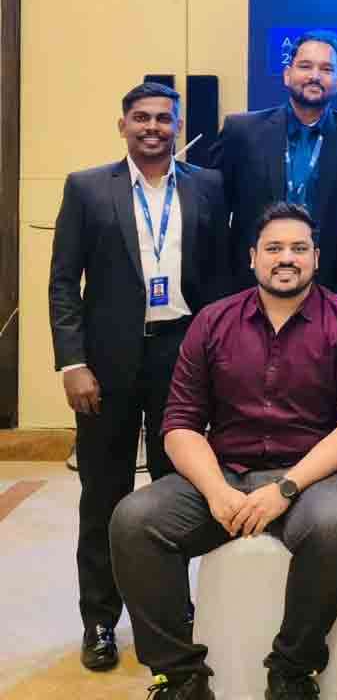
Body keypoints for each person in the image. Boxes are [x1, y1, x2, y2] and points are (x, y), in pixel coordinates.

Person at [109, 202, 337, 700]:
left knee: (334, 526)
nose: (287, 258)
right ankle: (181, 676)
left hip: (316, 478)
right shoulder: (213, 321)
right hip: (228, 474)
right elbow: (179, 425)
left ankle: (292, 671)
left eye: (299, 248)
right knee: (134, 521)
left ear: (316, 257)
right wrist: (216, 491)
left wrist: (286, 488)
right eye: (274, 248)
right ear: (253, 257)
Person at [47, 81, 229, 672]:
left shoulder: (207, 185)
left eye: (163, 119)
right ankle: (100, 620)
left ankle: (172, 610)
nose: (153, 127)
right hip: (106, 363)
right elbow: (63, 282)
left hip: (183, 355)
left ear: (178, 127)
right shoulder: (87, 188)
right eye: (142, 118)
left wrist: (220, 361)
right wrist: (72, 362)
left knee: (177, 492)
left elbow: (220, 279)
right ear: (122, 124)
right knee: (104, 492)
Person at [212, 29, 337, 290]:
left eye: (326, 69)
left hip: (334, 287)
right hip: (253, 285)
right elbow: (213, 210)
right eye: (305, 66)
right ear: (287, 74)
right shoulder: (242, 132)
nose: (315, 75)